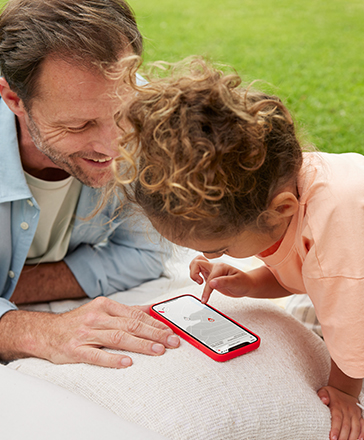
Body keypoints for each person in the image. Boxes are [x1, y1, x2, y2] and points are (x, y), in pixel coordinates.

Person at [114, 56, 364, 440]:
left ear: (280, 211)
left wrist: (345, 392)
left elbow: (352, 322)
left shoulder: (335, 239)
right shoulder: (275, 196)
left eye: (219, 248)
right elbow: (302, 269)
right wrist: (252, 282)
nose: (214, 258)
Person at [0, 0, 180, 369]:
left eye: (120, 113)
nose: (115, 147)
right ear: (14, 99)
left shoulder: (144, 114)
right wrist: (32, 330)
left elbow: (145, 253)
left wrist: (10, 291)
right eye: (78, 125)